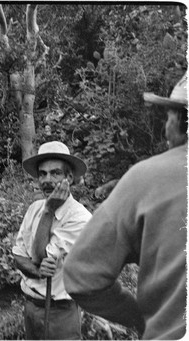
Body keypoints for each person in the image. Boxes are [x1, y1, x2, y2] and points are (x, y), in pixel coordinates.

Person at [63, 72, 187, 340]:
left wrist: (141, 319)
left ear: (183, 122)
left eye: (169, 117)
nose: (165, 128)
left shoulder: (147, 179)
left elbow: (80, 275)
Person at [12, 141, 92, 340]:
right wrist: (38, 272)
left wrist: (49, 211)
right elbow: (18, 257)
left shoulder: (80, 219)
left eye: (55, 173)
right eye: (42, 173)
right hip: (31, 307)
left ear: (70, 177)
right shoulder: (34, 209)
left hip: (59, 313)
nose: (47, 180)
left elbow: (38, 257)